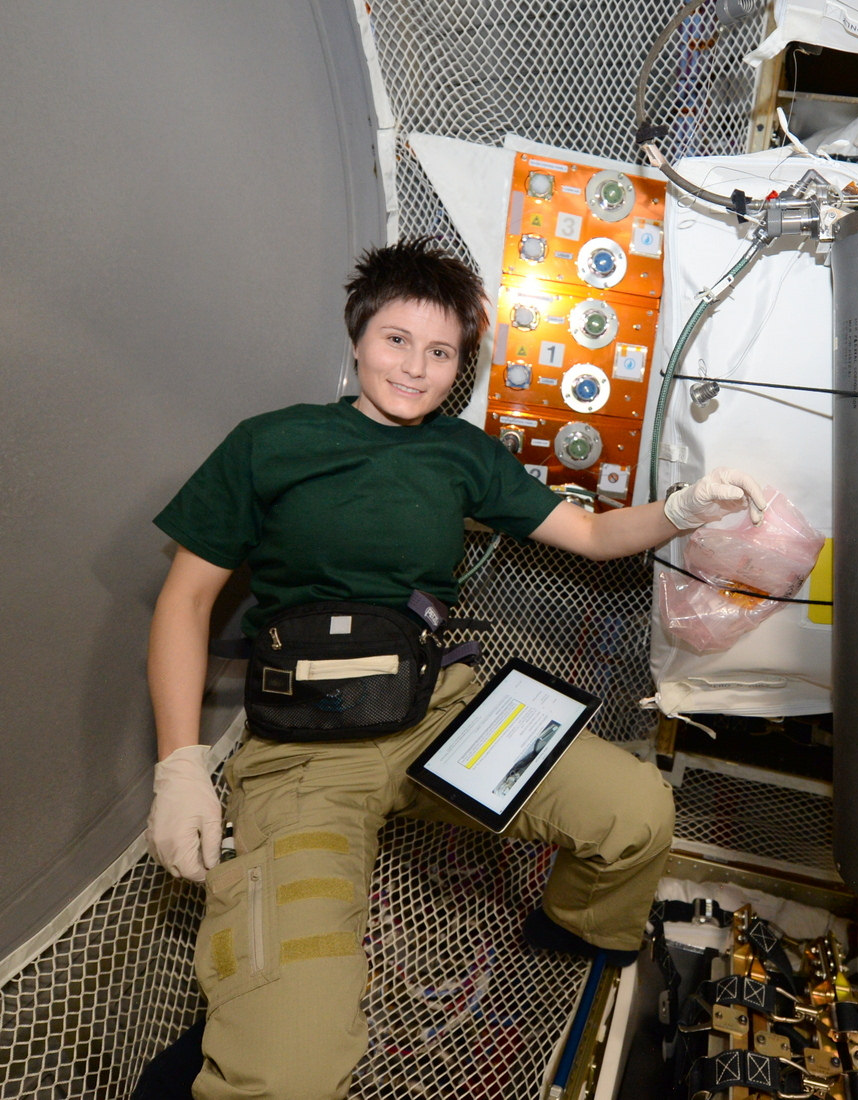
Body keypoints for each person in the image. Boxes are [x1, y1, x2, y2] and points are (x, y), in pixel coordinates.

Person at [144, 238, 765, 1100]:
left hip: (441, 711)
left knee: (638, 812)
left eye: (440, 353)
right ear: (358, 336)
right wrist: (179, 766)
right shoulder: (271, 444)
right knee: (290, 1067)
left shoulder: (460, 453)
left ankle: (575, 927)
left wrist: (685, 508)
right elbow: (184, 602)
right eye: (397, 340)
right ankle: (253, 1023)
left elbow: (590, 535)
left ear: (458, 369)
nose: (415, 367)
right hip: (308, 751)